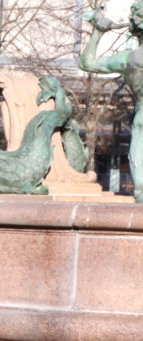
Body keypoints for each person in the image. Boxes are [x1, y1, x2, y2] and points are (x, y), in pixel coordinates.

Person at [80, 1, 143, 201]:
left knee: (141, 192)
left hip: (141, 121)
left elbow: (87, 63)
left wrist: (98, 31)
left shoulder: (128, 59)